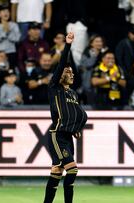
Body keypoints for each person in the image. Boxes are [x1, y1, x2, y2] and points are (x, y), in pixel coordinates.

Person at [43, 32, 87, 203]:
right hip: (57, 134)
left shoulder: (73, 93)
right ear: (61, 74)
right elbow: (61, 63)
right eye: (68, 71)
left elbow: (76, 113)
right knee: (72, 170)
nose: (72, 73)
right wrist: (67, 46)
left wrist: (76, 128)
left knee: (57, 172)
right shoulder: (55, 87)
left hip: (68, 136)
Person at [79, 34, 108, 104]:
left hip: (103, 83)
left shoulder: (106, 53)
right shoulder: (87, 53)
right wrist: (95, 55)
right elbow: (87, 64)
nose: (99, 43)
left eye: (100, 41)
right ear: (91, 43)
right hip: (89, 84)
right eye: (97, 41)